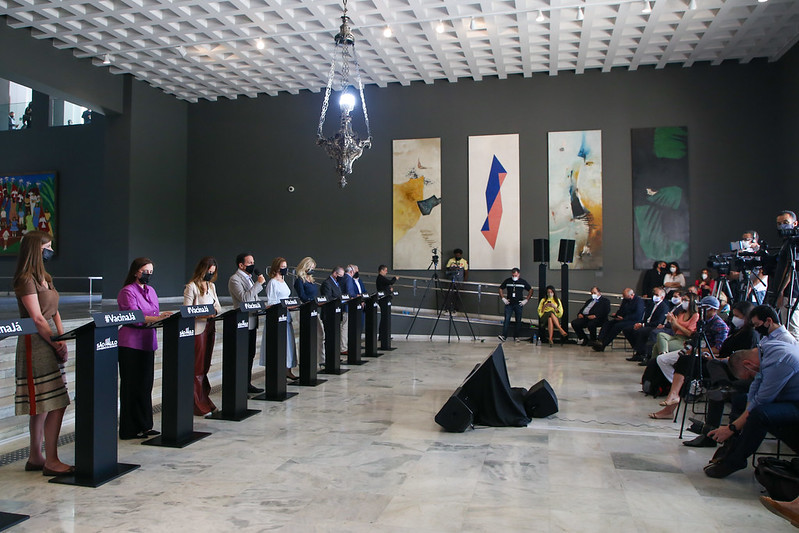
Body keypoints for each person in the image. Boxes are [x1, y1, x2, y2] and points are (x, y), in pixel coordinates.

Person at [13, 231, 71, 475]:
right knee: (52, 401)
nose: (51, 251)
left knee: (47, 403)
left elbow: (54, 311)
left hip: (51, 339)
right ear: (36, 250)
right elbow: (37, 318)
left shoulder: (46, 277)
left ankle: (36, 457)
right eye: (47, 247)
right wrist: (55, 342)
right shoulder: (26, 279)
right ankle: (50, 459)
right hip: (36, 344)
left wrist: (62, 337)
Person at [703, 341, 799, 478]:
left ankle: (735, 461)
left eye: (748, 375)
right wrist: (738, 422)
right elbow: (756, 385)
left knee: (760, 414)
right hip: (789, 396)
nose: (750, 378)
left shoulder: (780, 362)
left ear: (748, 364)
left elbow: (762, 401)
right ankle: (730, 446)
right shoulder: (765, 350)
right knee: (740, 400)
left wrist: (732, 427)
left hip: (795, 402)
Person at [648, 296, 729, 419]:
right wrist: (690, 345)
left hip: (706, 355)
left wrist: (698, 350)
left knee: (683, 362)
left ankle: (676, 393)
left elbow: (718, 349)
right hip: (694, 350)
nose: (701, 311)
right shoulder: (702, 321)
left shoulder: (720, 325)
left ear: (713, 309)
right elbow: (694, 336)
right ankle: (680, 388)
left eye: (704, 308)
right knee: (662, 359)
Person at [117, 257, 172, 440]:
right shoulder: (127, 291)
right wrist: (157, 318)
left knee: (145, 385)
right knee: (131, 386)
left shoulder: (151, 291)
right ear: (136, 272)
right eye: (145, 271)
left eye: (151, 272)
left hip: (148, 341)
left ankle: (145, 425)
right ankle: (129, 428)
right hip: (131, 343)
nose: (148, 275)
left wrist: (160, 316)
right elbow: (134, 316)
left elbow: (152, 312)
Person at [183, 256, 221, 416]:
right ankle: (197, 403)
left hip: (210, 326)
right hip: (198, 328)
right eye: (208, 271)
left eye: (213, 272)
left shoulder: (211, 286)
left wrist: (213, 312)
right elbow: (187, 310)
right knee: (197, 368)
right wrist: (205, 313)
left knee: (205, 367)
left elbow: (218, 306)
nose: (210, 274)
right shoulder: (191, 287)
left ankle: (204, 398)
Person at [228, 252, 266, 393]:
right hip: (242, 322)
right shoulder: (235, 279)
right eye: (250, 263)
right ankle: (240, 385)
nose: (253, 265)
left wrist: (263, 306)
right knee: (242, 355)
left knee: (250, 354)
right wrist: (259, 283)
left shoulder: (249, 278)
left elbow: (254, 298)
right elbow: (244, 299)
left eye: (253, 262)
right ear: (241, 265)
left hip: (252, 320)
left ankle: (247, 383)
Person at [261, 257, 298, 381]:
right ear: (276, 268)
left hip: (285, 315)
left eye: (285, 267)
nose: (284, 269)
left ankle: (288, 369)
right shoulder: (273, 282)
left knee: (288, 344)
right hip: (277, 316)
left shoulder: (283, 281)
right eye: (282, 267)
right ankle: (279, 370)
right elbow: (272, 302)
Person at [767, 210, 799, 342]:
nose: (782, 226)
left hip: (790, 293)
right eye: (779, 224)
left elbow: (791, 269)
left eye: (785, 222)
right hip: (784, 292)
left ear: (795, 223)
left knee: (792, 330)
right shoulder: (787, 242)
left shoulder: (794, 243)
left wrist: (780, 292)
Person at [623, 286, 669, 361]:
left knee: (641, 331)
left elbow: (658, 322)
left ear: (662, 297)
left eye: (657, 295)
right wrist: (639, 323)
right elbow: (645, 318)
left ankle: (641, 353)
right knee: (627, 329)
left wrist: (643, 325)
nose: (654, 296)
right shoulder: (651, 304)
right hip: (646, 324)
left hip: (654, 326)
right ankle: (638, 349)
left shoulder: (664, 307)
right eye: (654, 294)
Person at [295, 256, 324, 366]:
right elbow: (302, 296)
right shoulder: (299, 281)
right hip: (305, 310)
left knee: (320, 334)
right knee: (306, 336)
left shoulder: (311, 280)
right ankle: (304, 360)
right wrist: (311, 301)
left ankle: (320, 359)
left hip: (314, 310)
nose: (312, 270)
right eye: (310, 267)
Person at [497, 268, 533, 342]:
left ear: (518, 274)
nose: (514, 277)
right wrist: (503, 298)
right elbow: (500, 288)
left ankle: (516, 336)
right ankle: (504, 336)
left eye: (515, 275)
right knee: (507, 319)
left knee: (518, 320)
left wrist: (526, 300)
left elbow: (530, 290)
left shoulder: (523, 282)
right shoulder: (508, 281)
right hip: (509, 303)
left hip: (519, 303)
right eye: (513, 275)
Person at [376, 265, 398, 346]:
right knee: (384, 317)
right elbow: (390, 282)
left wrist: (389, 290)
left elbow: (385, 287)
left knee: (385, 317)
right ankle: (382, 335)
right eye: (385, 270)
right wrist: (395, 278)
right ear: (381, 270)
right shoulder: (380, 278)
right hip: (383, 300)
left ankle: (384, 335)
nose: (386, 272)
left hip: (386, 299)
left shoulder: (381, 279)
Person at [339, 265, 357, 354]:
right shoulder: (348, 278)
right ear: (351, 271)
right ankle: (343, 347)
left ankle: (343, 346)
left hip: (344, 306)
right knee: (345, 327)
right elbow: (350, 292)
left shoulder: (343, 278)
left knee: (344, 326)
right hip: (346, 306)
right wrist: (356, 296)